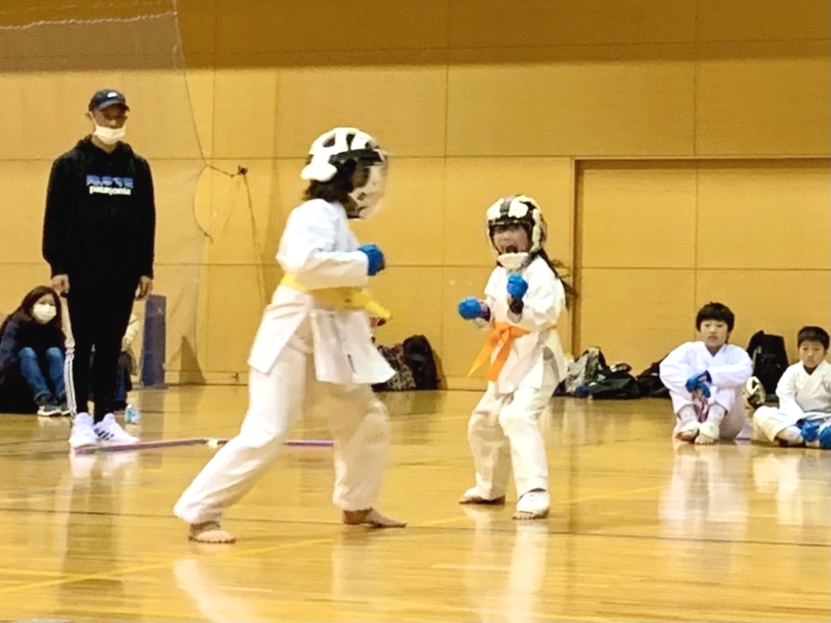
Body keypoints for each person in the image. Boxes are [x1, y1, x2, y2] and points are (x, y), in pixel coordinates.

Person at [174, 127, 406, 543]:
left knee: (365, 418)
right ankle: (201, 512)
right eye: (364, 173)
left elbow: (330, 280)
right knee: (268, 429)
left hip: (329, 337)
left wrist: (362, 303)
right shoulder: (312, 213)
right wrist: (358, 261)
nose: (370, 184)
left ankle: (357, 504)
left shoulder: (334, 217)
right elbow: (302, 263)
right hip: (292, 334)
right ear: (343, 173)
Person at [42, 88, 156, 449]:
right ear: (91, 115)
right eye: (107, 113)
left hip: (121, 274)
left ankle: (107, 416)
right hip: (80, 273)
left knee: (111, 347)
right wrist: (57, 265)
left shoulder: (137, 166)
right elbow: (54, 218)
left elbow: (146, 220)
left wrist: (144, 267)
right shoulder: (69, 164)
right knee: (81, 345)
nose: (114, 119)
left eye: (120, 113)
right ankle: (81, 420)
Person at [457, 195, 569, 520]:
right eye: (499, 229)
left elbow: (545, 315)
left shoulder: (541, 273)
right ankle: (490, 487)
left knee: (518, 417)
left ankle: (535, 491)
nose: (506, 236)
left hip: (539, 357)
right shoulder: (499, 274)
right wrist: (481, 311)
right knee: (482, 421)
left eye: (514, 228)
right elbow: (496, 315)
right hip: (509, 356)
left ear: (533, 232)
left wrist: (519, 305)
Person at [659, 302, 753, 445]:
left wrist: (708, 377)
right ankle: (690, 423)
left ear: (728, 331)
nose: (713, 330)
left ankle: (711, 424)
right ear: (699, 328)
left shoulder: (737, 354)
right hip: (693, 412)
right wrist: (692, 385)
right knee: (681, 377)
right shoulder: (688, 350)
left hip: (727, 423)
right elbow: (666, 370)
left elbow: (743, 372)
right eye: (707, 325)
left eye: (719, 326)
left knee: (727, 380)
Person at [752, 326, 831, 448]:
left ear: (825, 352)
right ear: (799, 349)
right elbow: (786, 400)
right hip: (795, 422)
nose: (810, 354)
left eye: (816, 349)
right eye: (805, 349)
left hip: (824, 420)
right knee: (761, 414)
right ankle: (810, 441)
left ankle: (795, 440)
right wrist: (801, 421)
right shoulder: (792, 372)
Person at [0, 286, 67, 416]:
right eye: (42, 303)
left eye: (52, 304)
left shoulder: (54, 328)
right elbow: (6, 355)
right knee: (27, 352)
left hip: (48, 376)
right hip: (19, 377)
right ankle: (43, 399)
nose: (47, 308)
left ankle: (63, 397)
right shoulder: (15, 323)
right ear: (30, 305)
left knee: (54, 352)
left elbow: (65, 355)